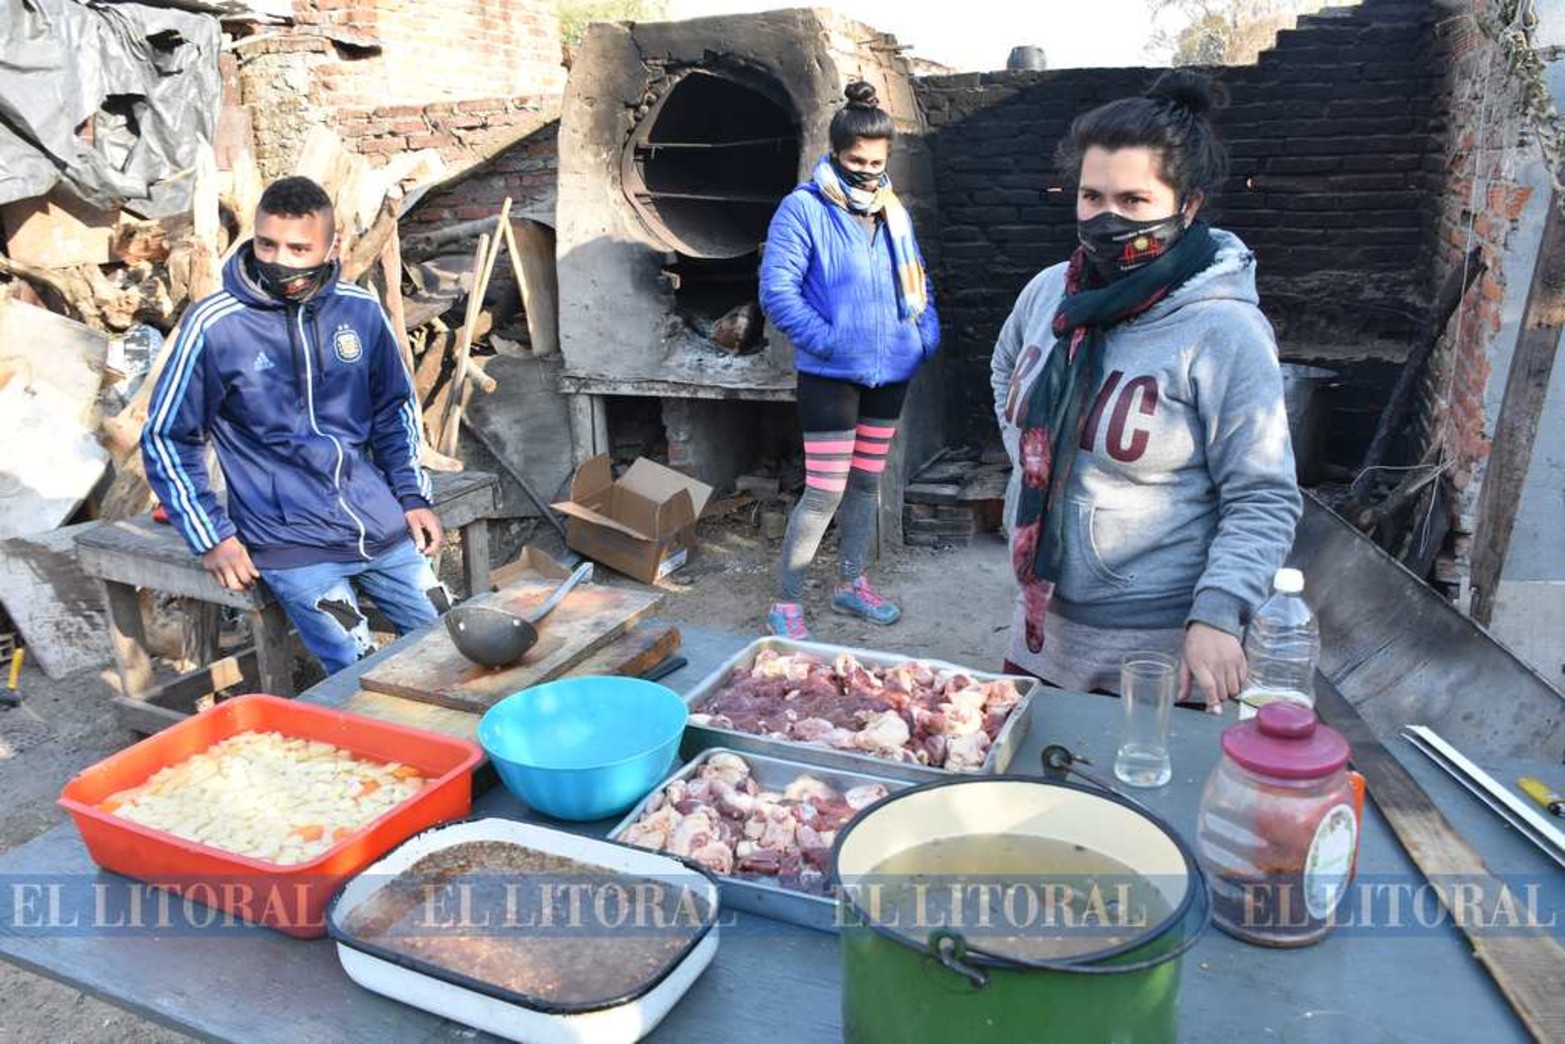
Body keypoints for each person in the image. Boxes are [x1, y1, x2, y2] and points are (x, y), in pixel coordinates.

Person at [990, 71, 1301, 710]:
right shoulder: (1050, 292)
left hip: (1161, 655)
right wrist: (1035, 464)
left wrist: (1219, 614)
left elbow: (1263, 496)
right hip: (1041, 629)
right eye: (1090, 196)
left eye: (1133, 201)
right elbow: (1004, 374)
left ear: (1186, 205)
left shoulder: (1223, 329)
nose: (1106, 219)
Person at [143, 175, 446, 675]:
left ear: (333, 246)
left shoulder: (360, 311)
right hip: (291, 545)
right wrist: (212, 537)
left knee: (452, 641)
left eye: (299, 248)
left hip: (379, 526)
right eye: (267, 243)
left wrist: (411, 496)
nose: (279, 260)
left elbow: (394, 411)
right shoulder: (217, 325)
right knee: (361, 669)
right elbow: (167, 438)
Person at [758, 81, 940, 640]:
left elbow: (917, 280)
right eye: (856, 160)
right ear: (835, 154)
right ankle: (786, 603)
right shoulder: (803, 209)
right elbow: (777, 291)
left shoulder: (893, 211)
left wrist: (923, 335)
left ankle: (850, 584)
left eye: (876, 161)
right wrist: (830, 341)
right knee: (825, 490)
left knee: (866, 484)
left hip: (892, 372)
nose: (866, 170)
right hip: (831, 375)